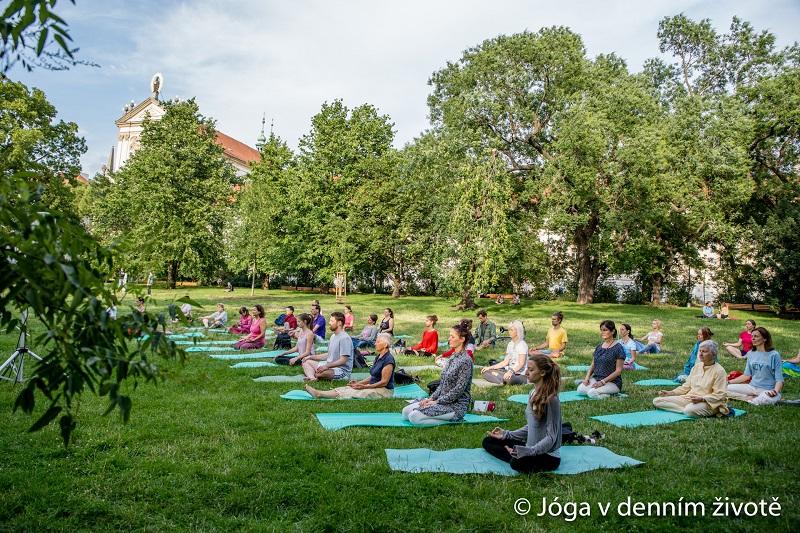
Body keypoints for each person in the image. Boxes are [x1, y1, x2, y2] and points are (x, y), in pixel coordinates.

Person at [482, 355, 562, 473]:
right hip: (529, 447)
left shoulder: (551, 400)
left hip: (548, 455)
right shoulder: (532, 393)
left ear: (542, 373)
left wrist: (529, 452)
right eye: (527, 369)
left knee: (516, 463)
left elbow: (551, 437)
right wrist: (507, 435)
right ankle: (515, 454)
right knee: (488, 441)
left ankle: (515, 455)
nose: (526, 372)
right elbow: (532, 426)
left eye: (531, 370)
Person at [402, 321, 473, 425]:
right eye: (450, 336)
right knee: (405, 412)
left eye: (452, 337)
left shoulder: (466, 361)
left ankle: (454, 420)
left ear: (462, 339)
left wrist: (436, 402)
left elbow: (459, 389)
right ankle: (439, 414)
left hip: (455, 406)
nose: (449, 339)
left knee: (414, 417)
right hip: (440, 401)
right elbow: (442, 384)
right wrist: (430, 398)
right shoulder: (452, 357)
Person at [305, 333, 396, 399]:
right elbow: (373, 377)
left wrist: (365, 387)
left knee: (355, 392)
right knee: (350, 387)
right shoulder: (379, 357)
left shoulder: (388, 360)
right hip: (375, 386)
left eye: (378, 342)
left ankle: (319, 394)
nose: (375, 344)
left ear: (385, 345)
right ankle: (319, 393)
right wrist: (359, 383)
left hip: (384, 391)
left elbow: (384, 382)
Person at [653, 340, 730, 417]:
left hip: (709, 402)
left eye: (704, 351)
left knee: (689, 410)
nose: (700, 354)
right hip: (690, 398)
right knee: (657, 401)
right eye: (700, 351)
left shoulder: (719, 371)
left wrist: (702, 399)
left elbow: (720, 394)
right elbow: (686, 386)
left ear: (713, 354)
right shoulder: (696, 367)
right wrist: (671, 393)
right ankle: (686, 410)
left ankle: (690, 410)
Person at [727, 327, 784, 405]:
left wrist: (775, 391)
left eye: (756, 336)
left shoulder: (774, 355)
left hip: (767, 390)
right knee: (724, 388)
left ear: (764, 339)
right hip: (751, 387)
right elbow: (746, 376)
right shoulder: (750, 353)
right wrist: (728, 382)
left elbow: (779, 379)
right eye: (752, 336)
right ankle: (747, 398)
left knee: (766, 398)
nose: (753, 338)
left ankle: (753, 399)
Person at [577, 320, 625, 399]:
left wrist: (602, 382)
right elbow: (593, 365)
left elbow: (618, 371)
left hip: (613, 382)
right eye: (601, 330)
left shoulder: (618, 348)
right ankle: (599, 390)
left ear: (612, 331)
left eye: (605, 330)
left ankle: (612, 395)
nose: (602, 332)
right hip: (597, 379)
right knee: (580, 390)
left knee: (592, 393)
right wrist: (587, 378)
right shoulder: (599, 347)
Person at [301, 311, 353, 381]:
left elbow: (343, 360)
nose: (329, 323)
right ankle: (313, 378)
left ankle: (314, 374)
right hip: (329, 366)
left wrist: (326, 366)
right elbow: (329, 354)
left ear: (339, 323)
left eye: (332, 321)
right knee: (306, 362)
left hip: (341, 370)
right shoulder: (333, 336)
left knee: (322, 373)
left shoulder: (344, 338)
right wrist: (310, 357)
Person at [480, 320, 528, 385]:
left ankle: (501, 379)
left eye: (512, 330)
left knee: (508, 379)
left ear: (518, 331)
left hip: (519, 374)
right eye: (509, 330)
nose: (509, 332)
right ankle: (501, 379)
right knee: (485, 372)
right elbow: (505, 362)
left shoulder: (522, 344)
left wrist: (511, 372)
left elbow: (521, 364)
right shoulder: (510, 344)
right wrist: (490, 367)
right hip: (507, 371)